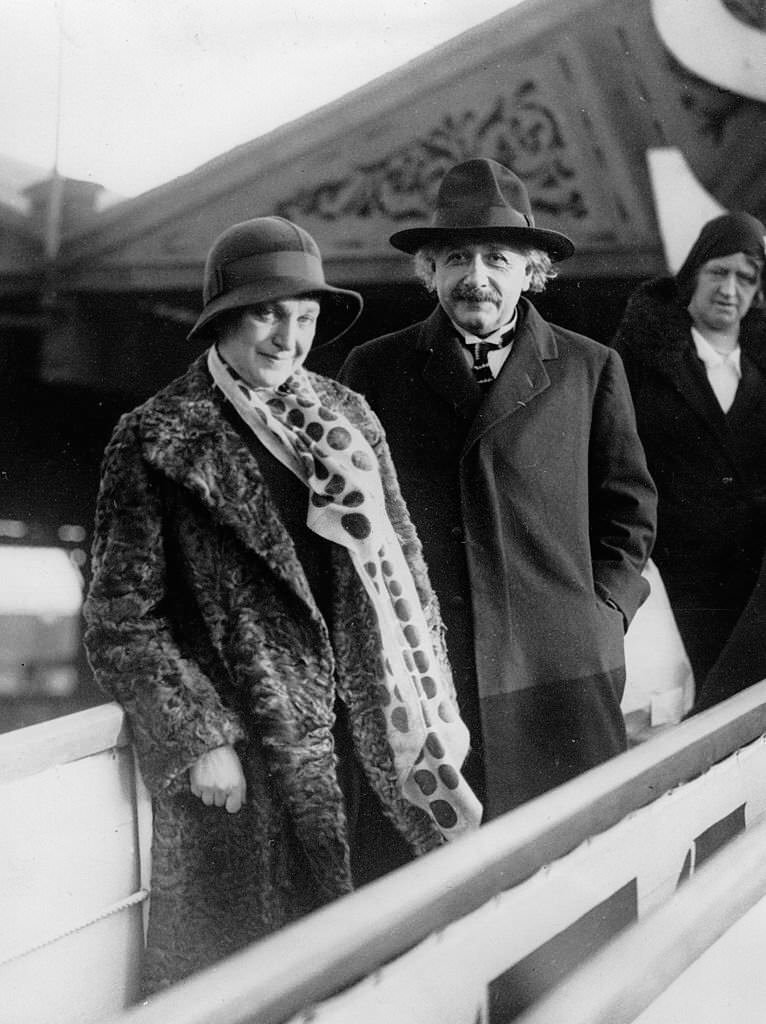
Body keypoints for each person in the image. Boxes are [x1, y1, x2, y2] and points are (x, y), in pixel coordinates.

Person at [83, 216, 481, 995]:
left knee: (387, 973)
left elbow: (409, 573)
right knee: (267, 985)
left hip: (377, 746)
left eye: (304, 318)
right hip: (255, 767)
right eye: (268, 313)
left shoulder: (349, 420)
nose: (287, 338)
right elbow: (120, 618)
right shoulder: (156, 439)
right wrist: (200, 736)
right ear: (222, 319)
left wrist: (431, 711)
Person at [339, 158, 656, 818]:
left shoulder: (588, 368)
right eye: (456, 257)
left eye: (497, 258)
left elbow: (630, 513)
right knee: (434, 889)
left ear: (530, 272)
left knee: (571, 878)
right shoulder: (375, 369)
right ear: (430, 271)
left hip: (558, 676)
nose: (475, 278)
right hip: (427, 684)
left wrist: (604, 617)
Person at [612, 212, 766, 710]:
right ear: (692, 273)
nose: (729, 289)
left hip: (753, 587)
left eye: (746, 277)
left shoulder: (761, 368)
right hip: (671, 582)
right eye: (717, 272)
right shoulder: (641, 362)